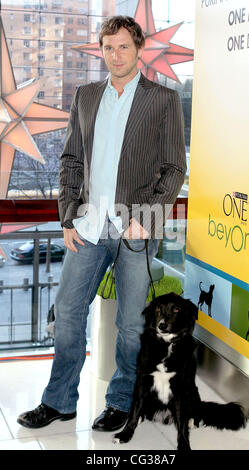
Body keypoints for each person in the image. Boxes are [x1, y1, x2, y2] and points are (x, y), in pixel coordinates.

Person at [17, 15, 186, 432]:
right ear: (102, 50)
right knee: (68, 315)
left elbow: (174, 169)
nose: (115, 55)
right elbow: (71, 159)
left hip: (134, 231)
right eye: (108, 47)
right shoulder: (87, 95)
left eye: (123, 47)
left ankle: (121, 402)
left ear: (139, 49)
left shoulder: (162, 101)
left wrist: (147, 219)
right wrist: (67, 215)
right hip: (89, 227)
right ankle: (59, 402)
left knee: (130, 327)